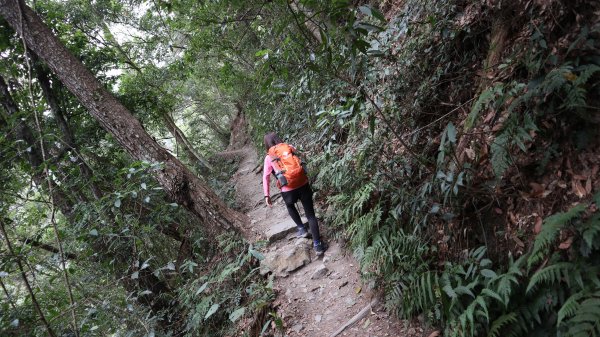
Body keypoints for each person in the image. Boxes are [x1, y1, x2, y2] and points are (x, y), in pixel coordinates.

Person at [262, 132, 327, 255]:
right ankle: (318, 245)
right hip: (303, 184)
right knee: (311, 215)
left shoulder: (268, 157)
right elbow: (300, 158)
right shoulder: (289, 147)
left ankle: (301, 229)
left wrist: (267, 195)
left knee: (290, 206)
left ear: (267, 144)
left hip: (287, 189)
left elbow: (266, 177)